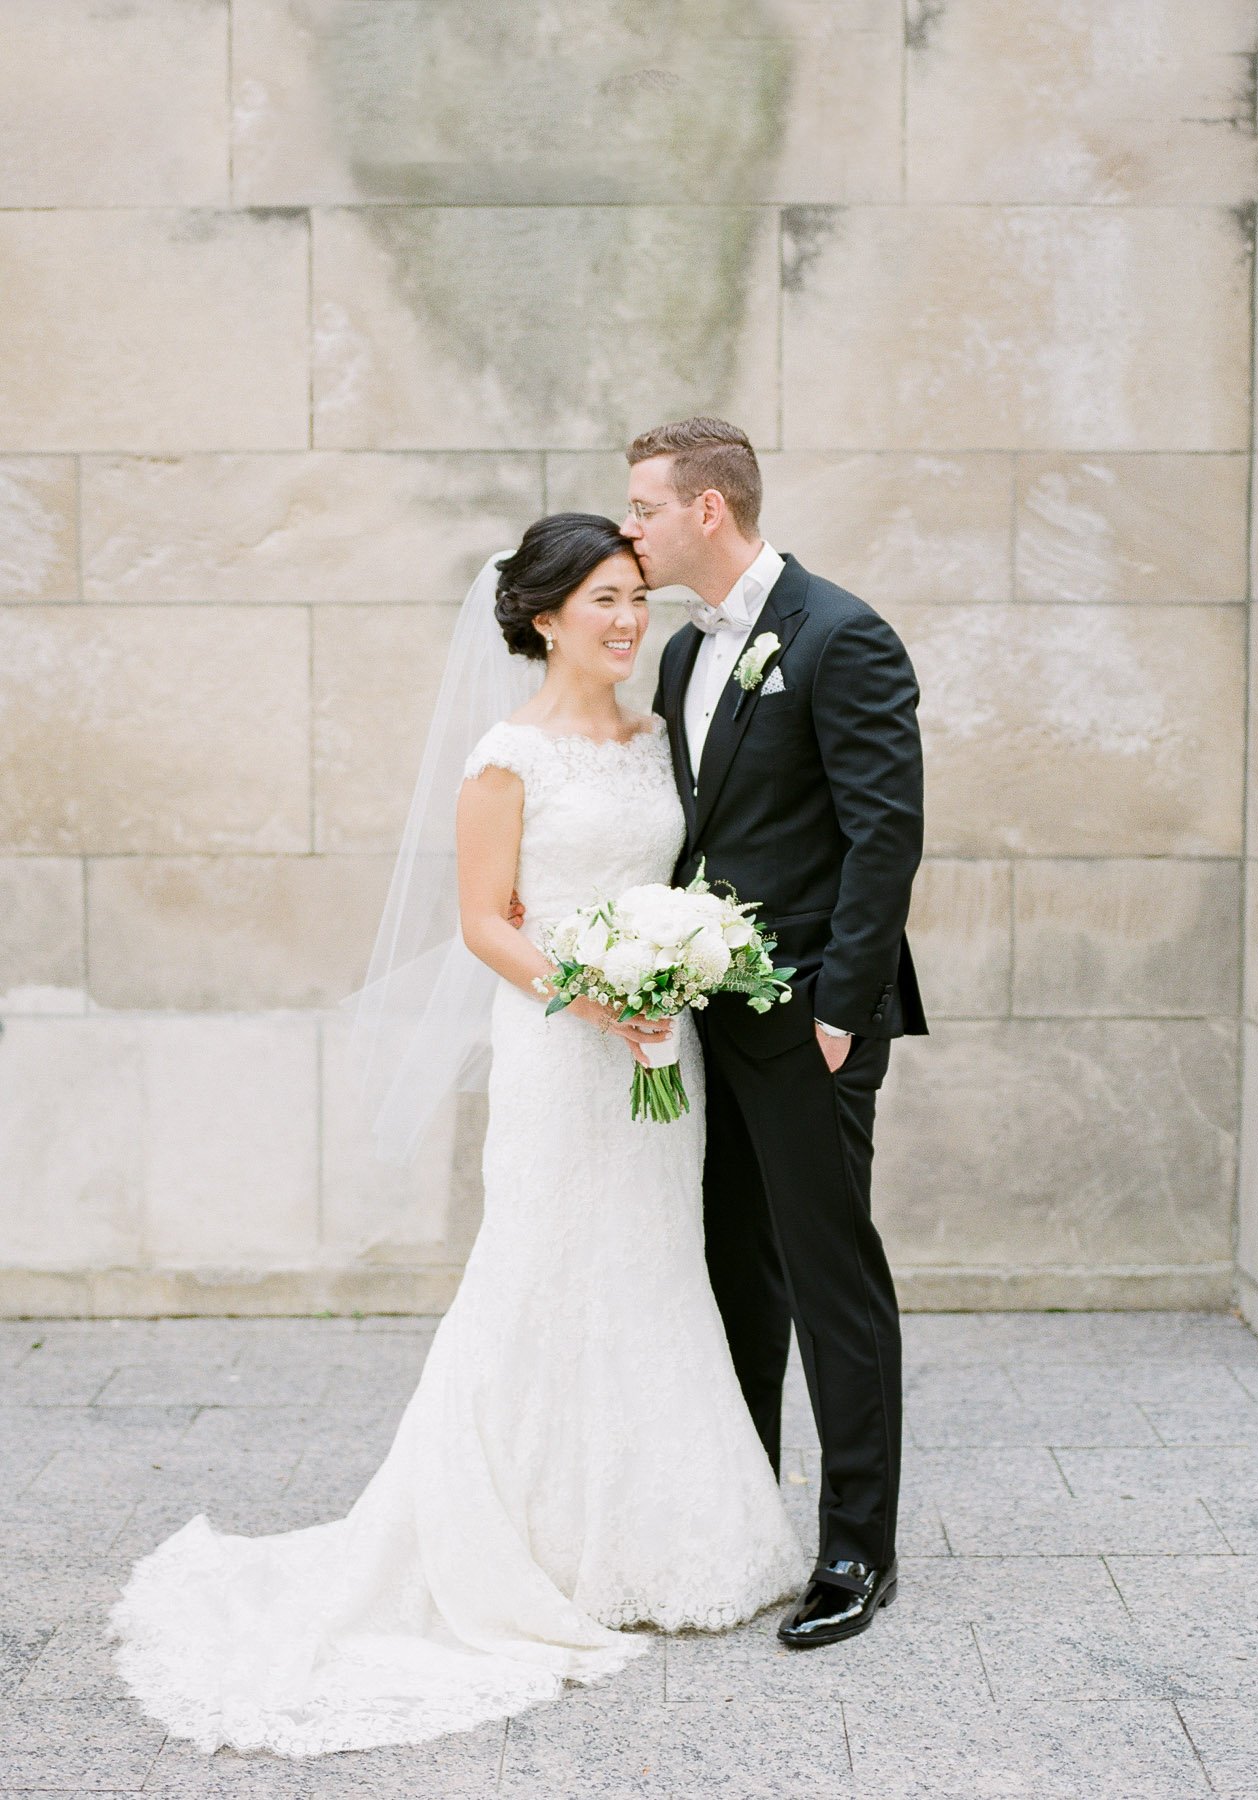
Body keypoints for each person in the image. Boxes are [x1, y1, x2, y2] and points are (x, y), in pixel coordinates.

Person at [105, 514, 806, 1758]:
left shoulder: (658, 742)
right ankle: (517, 1543)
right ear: (543, 617)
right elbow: (485, 921)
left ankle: (660, 1538)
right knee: (539, 1271)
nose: (628, 618)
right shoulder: (505, 755)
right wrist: (604, 998)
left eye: (635, 595)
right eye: (602, 598)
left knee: (654, 1269)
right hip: (561, 1042)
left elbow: (681, 886)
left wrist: (673, 982)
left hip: (662, 1053)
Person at [626, 416, 926, 1649]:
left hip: (809, 1019)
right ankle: (745, 1517)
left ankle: (857, 1552)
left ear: (708, 509)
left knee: (826, 1280)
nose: (629, 526)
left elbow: (883, 836)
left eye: (644, 505)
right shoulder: (681, 654)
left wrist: (840, 1016)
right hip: (707, 1018)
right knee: (730, 1269)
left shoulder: (839, 635)